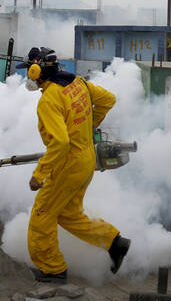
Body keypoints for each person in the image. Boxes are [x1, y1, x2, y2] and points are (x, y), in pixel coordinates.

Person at [19, 47, 131, 283]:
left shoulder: (49, 99)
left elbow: (59, 142)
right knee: (67, 213)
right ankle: (114, 242)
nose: (28, 76)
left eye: (29, 71)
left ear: (36, 70)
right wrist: (89, 128)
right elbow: (108, 99)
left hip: (67, 165)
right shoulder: (77, 83)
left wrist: (39, 174)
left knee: (43, 215)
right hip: (87, 159)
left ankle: (53, 269)